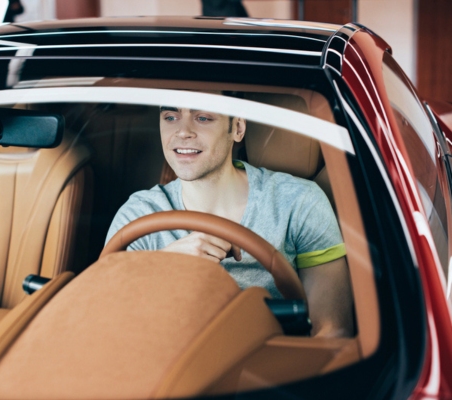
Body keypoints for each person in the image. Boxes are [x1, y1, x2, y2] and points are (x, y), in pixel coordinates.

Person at [106, 103, 353, 338]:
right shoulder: (138, 216)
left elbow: (331, 335)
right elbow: (104, 325)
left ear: (237, 128)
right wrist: (164, 268)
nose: (182, 132)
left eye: (203, 117)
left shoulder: (300, 203)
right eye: (170, 117)